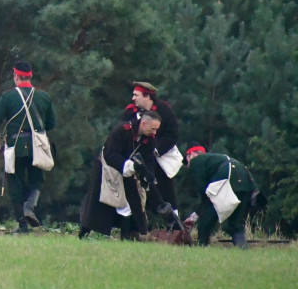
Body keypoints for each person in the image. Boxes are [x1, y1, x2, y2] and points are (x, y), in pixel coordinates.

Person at [0, 62, 57, 233]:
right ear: (30, 76)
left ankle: (23, 226)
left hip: (15, 147)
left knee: (15, 185)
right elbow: (52, 123)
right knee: (37, 179)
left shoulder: (7, 97)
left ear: (15, 76)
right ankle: (30, 206)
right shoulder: (44, 96)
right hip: (37, 147)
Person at [79, 111, 162, 240]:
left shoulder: (149, 140)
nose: (154, 133)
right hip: (107, 170)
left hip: (128, 174)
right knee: (96, 205)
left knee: (130, 204)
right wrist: (130, 165)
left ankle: (126, 236)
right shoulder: (121, 131)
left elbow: (149, 159)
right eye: (153, 129)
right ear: (144, 123)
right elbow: (111, 154)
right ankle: (83, 234)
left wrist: (148, 174)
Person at [123, 81, 182, 227]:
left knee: (166, 192)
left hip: (159, 159)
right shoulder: (130, 112)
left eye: (136, 95)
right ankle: (138, 226)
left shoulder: (164, 111)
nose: (133, 98)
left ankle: (175, 227)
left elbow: (172, 134)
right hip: (139, 159)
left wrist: (156, 149)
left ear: (147, 96)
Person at [183, 143, 258, 248]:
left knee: (205, 220)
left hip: (227, 176)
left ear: (189, 155)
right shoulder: (213, 159)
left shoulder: (195, 162)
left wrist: (195, 216)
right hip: (247, 179)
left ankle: (201, 247)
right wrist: (195, 215)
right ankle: (242, 248)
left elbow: (205, 194)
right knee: (235, 225)